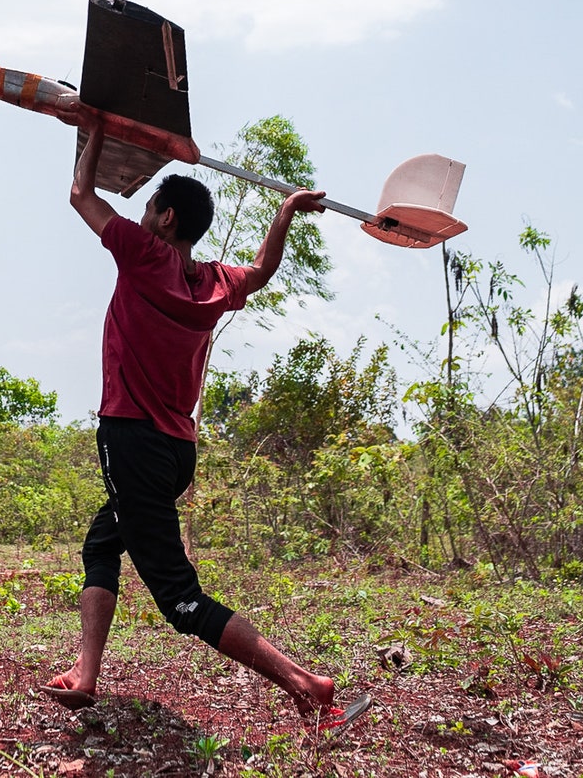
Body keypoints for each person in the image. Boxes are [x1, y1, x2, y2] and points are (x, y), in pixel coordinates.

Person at [43, 109, 360, 723]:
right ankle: (86, 672)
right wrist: (286, 211)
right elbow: (263, 270)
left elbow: (80, 193)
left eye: (148, 205)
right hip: (175, 454)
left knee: (179, 598)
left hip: (132, 442)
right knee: (103, 540)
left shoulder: (142, 254)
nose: (139, 215)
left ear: (164, 218)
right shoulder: (214, 283)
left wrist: (96, 128)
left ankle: (304, 684)